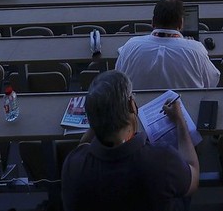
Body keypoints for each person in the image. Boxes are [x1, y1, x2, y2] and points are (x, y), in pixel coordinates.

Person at [61, 70, 198, 211]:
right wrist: (180, 121)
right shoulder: (163, 159)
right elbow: (193, 172)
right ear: (131, 105)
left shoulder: (73, 165)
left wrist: (100, 116)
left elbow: (83, 145)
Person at [116, 0, 219, 90]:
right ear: (181, 23)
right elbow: (211, 83)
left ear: (152, 22)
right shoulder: (196, 49)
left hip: (139, 109)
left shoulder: (130, 46)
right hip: (185, 109)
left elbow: (119, 80)